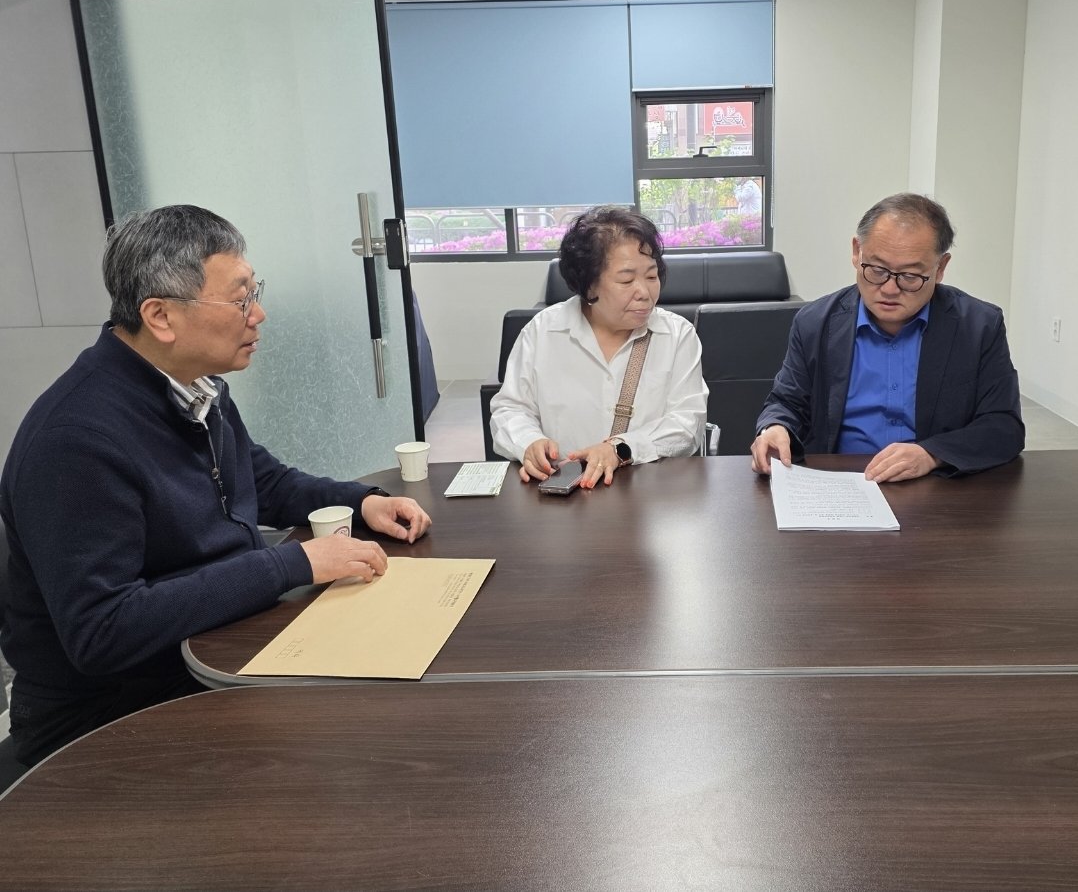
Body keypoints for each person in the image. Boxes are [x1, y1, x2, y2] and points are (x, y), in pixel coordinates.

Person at [0, 205, 431, 766]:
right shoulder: (77, 440)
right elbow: (103, 631)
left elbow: (261, 480)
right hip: (111, 718)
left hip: (213, 651)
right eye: (240, 300)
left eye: (255, 293)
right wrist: (291, 565)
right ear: (160, 316)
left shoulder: (195, 385)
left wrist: (360, 501)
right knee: (365, 752)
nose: (259, 315)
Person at [751, 192, 1024, 482]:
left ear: (940, 268)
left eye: (910, 276)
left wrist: (931, 454)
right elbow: (787, 402)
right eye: (877, 270)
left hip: (937, 484)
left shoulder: (979, 327)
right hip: (841, 482)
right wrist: (775, 427)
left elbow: (1004, 425)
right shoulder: (815, 323)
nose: (890, 289)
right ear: (857, 252)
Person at [490, 206, 707, 487]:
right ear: (590, 285)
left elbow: (688, 423)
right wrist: (529, 442)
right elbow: (510, 409)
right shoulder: (543, 332)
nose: (645, 292)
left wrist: (621, 449)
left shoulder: (677, 336)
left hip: (649, 493)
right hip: (563, 493)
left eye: (652, 276)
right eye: (626, 280)